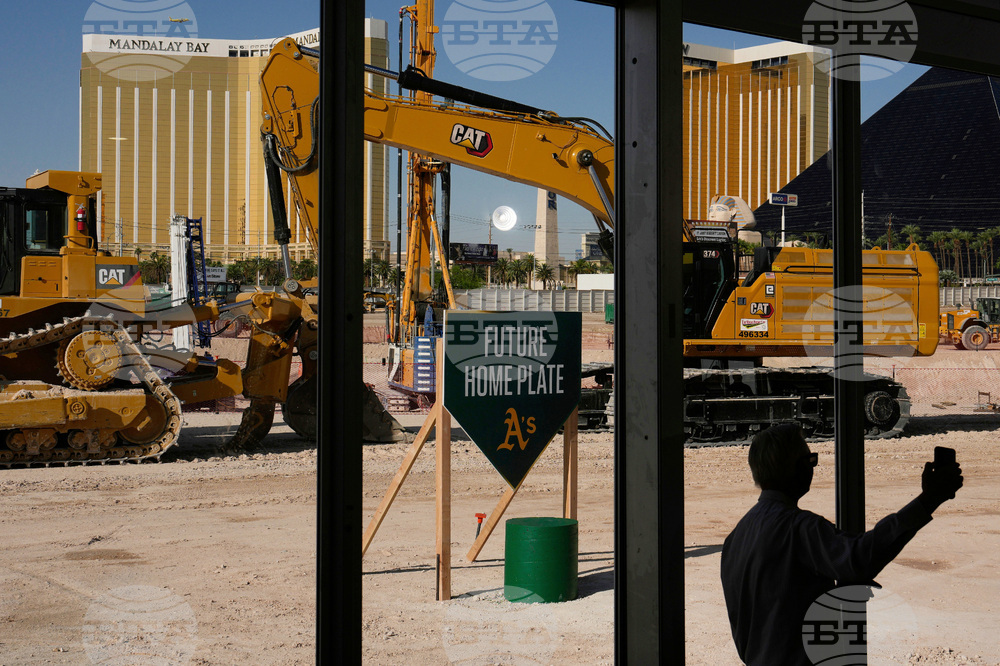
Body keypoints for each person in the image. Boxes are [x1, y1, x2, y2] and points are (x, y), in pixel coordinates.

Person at [720, 424, 963, 665]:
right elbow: (860, 558)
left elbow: (759, 619)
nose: (813, 468)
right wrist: (929, 500)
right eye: (810, 460)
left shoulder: (735, 538)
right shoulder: (801, 529)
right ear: (793, 467)